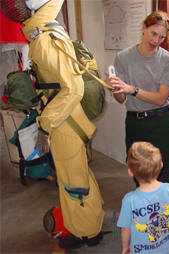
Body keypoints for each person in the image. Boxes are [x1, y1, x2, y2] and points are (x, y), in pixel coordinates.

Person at [0, 0, 105, 249]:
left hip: (65, 123)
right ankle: (87, 221)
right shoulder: (42, 33)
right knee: (77, 176)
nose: (11, 5)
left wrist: (44, 123)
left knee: (74, 182)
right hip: (64, 120)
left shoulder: (46, 37)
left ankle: (86, 232)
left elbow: (74, 88)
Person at [106, 11, 169, 187]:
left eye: (161, 37)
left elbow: (161, 99)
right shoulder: (123, 57)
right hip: (136, 124)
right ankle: (146, 212)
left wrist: (132, 89)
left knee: (167, 172)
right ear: (143, 27)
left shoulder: (168, 60)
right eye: (153, 33)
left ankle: (167, 214)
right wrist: (115, 87)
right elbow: (121, 98)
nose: (155, 40)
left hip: (161, 123)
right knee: (139, 174)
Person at [117, 142, 169, 254]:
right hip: (167, 248)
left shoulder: (129, 200)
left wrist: (124, 247)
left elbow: (125, 229)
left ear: (130, 172)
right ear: (161, 165)